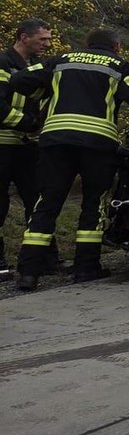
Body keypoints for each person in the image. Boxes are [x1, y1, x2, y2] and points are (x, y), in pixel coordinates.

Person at [8, 28, 129, 289]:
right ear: (116, 47)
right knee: (94, 203)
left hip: (56, 141)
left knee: (46, 203)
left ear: (87, 44)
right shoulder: (120, 66)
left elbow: (19, 81)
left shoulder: (60, 61)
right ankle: (86, 268)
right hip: (97, 144)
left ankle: (28, 273)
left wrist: (45, 93)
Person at [1, 18, 53, 278]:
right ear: (24, 37)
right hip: (3, 144)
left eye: (49, 39)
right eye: (42, 39)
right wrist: (30, 124)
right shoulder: (3, 63)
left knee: (38, 202)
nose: (47, 44)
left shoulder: (36, 66)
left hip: (27, 146)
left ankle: (46, 260)